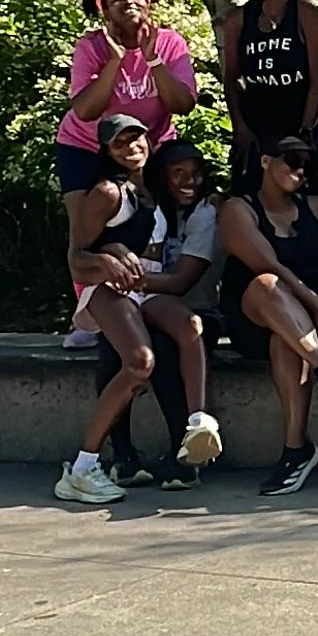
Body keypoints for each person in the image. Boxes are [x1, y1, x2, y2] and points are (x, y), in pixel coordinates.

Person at [54, 116, 223, 504]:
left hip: (147, 285)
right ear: (108, 151)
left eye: (138, 139)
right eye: (121, 143)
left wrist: (213, 198)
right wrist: (108, 258)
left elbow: (188, 202)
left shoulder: (154, 191)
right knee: (139, 362)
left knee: (189, 325)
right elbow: (77, 258)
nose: (132, 148)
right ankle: (82, 467)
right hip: (109, 288)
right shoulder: (107, 193)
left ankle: (198, 423)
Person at [217, 137, 318, 497]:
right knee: (268, 284)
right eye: (291, 160)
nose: (300, 171)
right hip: (253, 316)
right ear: (265, 162)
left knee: (287, 342)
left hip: (310, 325)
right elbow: (267, 264)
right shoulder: (238, 209)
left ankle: (295, 449)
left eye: (307, 164)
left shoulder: (317, 208)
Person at [107, 141, 226, 485]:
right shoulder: (152, 211)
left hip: (200, 311)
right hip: (149, 307)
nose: (190, 181)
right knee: (115, 346)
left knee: (162, 347)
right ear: (161, 177)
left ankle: (188, 453)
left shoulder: (206, 214)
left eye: (196, 173)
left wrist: (123, 279)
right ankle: (124, 456)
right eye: (179, 174)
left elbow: (181, 281)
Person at [56, 0, 197, 214]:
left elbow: (182, 105)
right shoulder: (90, 46)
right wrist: (114, 61)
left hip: (148, 146)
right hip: (87, 145)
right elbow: (85, 111)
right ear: (105, 11)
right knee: (86, 230)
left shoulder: (170, 43)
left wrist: (152, 59)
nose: (129, 2)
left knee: (153, 221)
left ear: (148, 2)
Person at [225, 0, 318, 188]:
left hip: (303, 119)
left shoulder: (308, 11)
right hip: (258, 124)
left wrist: (305, 132)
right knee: (252, 195)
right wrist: (240, 128)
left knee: (310, 198)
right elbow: (231, 78)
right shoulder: (239, 19)